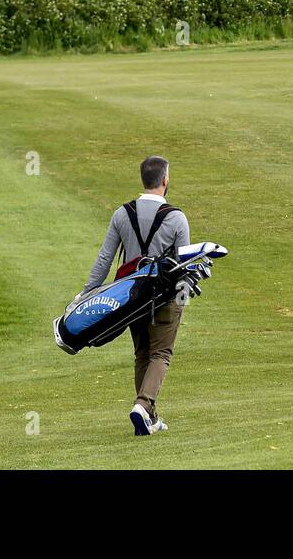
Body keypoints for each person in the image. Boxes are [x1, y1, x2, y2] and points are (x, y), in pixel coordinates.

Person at [80, 155, 191, 434]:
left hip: (131, 298)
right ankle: (143, 404)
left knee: (142, 353)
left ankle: (149, 419)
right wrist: (183, 300)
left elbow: (105, 259)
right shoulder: (177, 218)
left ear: (143, 180)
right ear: (165, 180)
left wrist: (86, 293)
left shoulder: (122, 214)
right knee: (161, 353)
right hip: (165, 297)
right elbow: (184, 266)